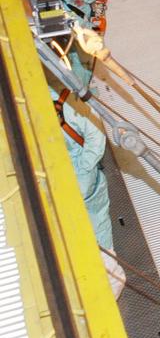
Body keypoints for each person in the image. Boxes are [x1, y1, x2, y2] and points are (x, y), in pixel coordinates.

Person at [51, 86, 115, 252]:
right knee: (98, 222)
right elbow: (96, 136)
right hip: (83, 182)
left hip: (53, 182)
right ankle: (107, 261)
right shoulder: (69, 101)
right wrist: (84, 167)